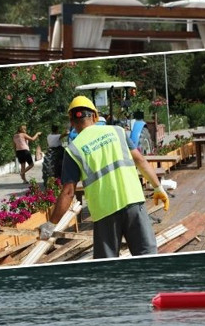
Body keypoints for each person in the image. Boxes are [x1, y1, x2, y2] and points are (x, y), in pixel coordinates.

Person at [44, 96, 170, 259]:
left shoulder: (73, 149)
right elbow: (140, 160)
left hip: (105, 213)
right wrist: (158, 187)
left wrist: (51, 224)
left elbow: (68, 192)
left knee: (107, 267)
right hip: (133, 204)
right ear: (95, 117)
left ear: (72, 122)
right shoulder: (117, 132)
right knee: (147, 257)